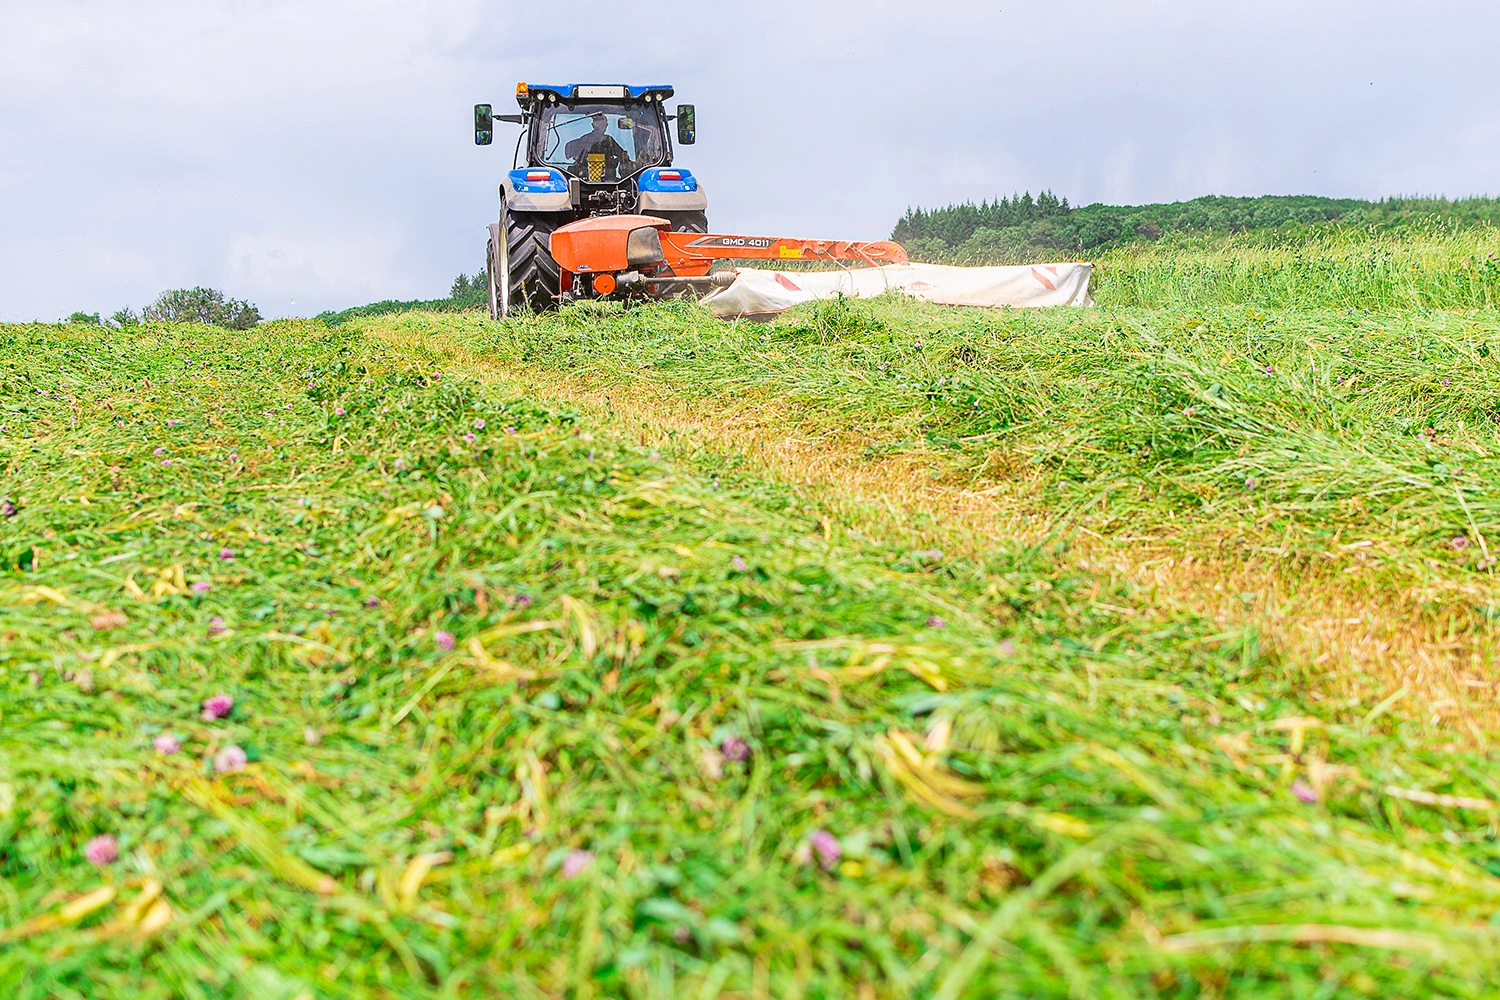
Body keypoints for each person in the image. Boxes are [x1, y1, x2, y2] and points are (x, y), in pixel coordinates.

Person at [564, 113, 629, 180]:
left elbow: (623, 156)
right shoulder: (584, 140)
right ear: (593, 125)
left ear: (606, 126)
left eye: (603, 125)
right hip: (584, 182)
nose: (601, 128)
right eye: (598, 125)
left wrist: (621, 158)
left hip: (610, 182)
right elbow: (577, 159)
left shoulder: (609, 141)